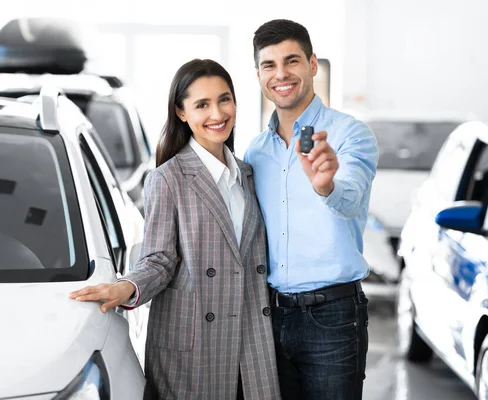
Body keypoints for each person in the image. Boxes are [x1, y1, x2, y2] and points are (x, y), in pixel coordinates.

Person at [70, 59, 280, 400]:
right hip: (196, 340)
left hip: (252, 337)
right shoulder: (168, 178)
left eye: (224, 99)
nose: (217, 113)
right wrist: (127, 287)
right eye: (202, 104)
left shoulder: (249, 174)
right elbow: (159, 258)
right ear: (182, 113)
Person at [243, 19, 379, 400]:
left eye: (292, 61)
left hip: (333, 317)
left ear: (313, 64)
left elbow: (350, 197)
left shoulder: (350, 134)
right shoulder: (255, 151)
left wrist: (327, 186)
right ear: (259, 75)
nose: (281, 74)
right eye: (269, 65)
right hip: (270, 315)